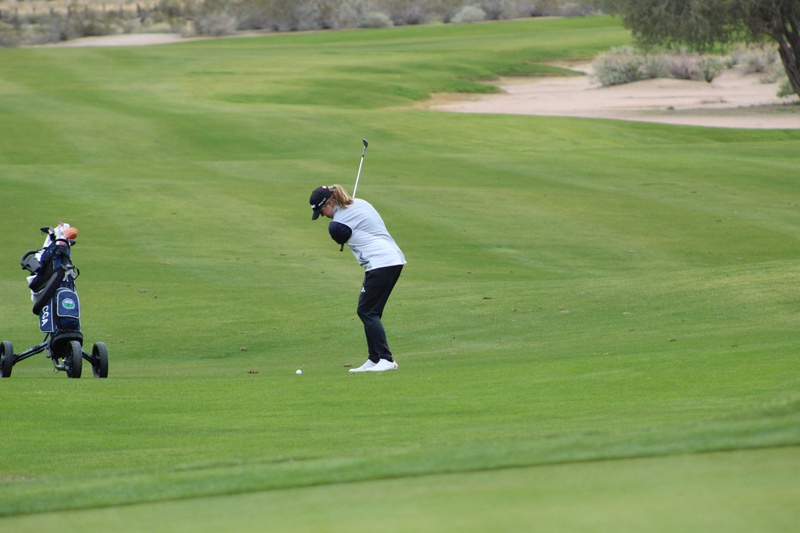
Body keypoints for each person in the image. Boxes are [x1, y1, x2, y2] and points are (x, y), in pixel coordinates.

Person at [309, 184, 406, 373]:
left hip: (381, 262)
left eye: (322, 212)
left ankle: (386, 359)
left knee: (366, 311)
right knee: (370, 311)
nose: (323, 216)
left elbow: (339, 234)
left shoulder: (338, 223)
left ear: (329, 203)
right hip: (391, 260)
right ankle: (374, 358)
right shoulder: (360, 203)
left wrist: (338, 225)